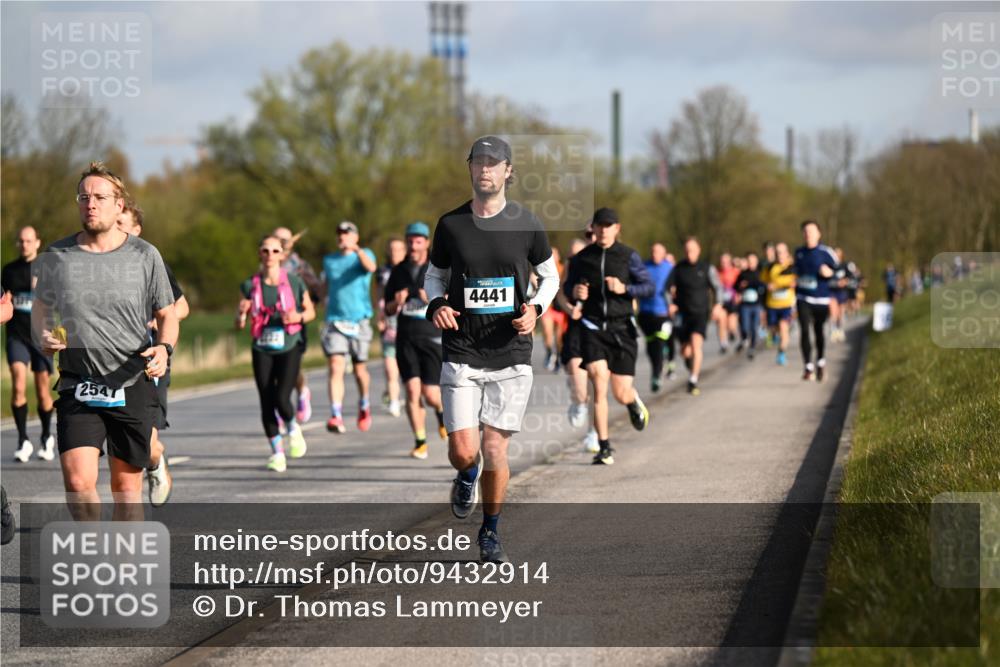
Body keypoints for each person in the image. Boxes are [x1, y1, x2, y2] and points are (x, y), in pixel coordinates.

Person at [424, 135, 559, 563]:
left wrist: (536, 309)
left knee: (496, 449)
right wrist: (437, 304)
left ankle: (490, 531)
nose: (485, 169)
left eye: (493, 163)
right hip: (462, 350)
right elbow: (434, 276)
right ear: (469, 168)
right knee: (465, 451)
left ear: (508, 171)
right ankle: (466, 473)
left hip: (510, 352)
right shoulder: (451, 224)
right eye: (478, 162)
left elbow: (550, 276)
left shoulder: (527, 223)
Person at [32, 161, 177, 520]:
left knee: (125, 490)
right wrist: (43, 335)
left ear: (119, 205)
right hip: (78, 383)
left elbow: (167, 314)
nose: (91, 204)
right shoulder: (57, 256)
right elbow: (41, 308)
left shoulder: (145, 255)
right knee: (78, 483)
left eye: (99, 197)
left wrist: (164, 348)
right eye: (84, 197)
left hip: (130, 381)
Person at [565, 207, 653, 465]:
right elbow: (568, 286)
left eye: (608, 225)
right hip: (593, 328)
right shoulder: (582, 258)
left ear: (617, 228)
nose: (603, 230)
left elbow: (649, 287)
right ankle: (604, 447)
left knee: (620, 392)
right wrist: (575, 291)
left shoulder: (628, 256)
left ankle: (632, 401)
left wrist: (625, 288)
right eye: (599, 225)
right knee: (598, 382)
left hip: (622, 329)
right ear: (593, 228)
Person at [117, 202, 190, 505]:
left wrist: (158, 322)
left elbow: (181, 308)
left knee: (147, 442)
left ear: (137, 230)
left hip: (151, 359)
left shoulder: (151, 261)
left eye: (122, 224)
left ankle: (156, 463)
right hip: (113, 363)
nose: (116, 229)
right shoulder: (96, 264)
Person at [237, 235, 316, 471]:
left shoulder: (294, 282)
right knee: (266, 400)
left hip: (288, 345)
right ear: (259, 254)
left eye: (275, 251)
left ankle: (292, 426)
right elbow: (239, 324)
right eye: (265, 250)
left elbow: (311, 312)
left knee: (282, 397)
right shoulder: (250, 285)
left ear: (282, 255)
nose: (270, 255)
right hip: (261, 347)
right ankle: (277, 453)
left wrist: (298, 316)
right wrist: (241, 314)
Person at [384, 222, 447, 459]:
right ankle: (420, 442)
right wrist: (396, 302)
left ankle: (441, 413)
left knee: (431, 394)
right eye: (410, 241)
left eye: (418, 241)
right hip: (406, 338)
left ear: (426, 243)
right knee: (411, 391)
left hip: (432, 336)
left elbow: (451, 300)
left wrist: (432, 299)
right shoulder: (398, 271)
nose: (413, 245)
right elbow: (388, 309)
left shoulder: (438, 268)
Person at [2, 226, 55, 463]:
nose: (25, 244)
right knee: (18, 385)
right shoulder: (9, 271)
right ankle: (23, 440)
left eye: (29, 241)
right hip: (17, 336)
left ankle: (46, 437)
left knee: (43, 391)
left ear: (37, 242)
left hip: (41, 336)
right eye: (21, 241)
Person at [319, 221, 377, 433]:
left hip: (359, 320)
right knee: (336, 365)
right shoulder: (329, 260)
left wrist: (357, 250)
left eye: (347, 233)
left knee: (360, 371)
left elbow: (371, 268)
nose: (342, 237)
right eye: (340, 234)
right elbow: (324, 287)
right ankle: (336, 415)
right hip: (335, 320)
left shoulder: (364, 255)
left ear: (355, 237)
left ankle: (364, 403)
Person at [274, 227, 323, 424]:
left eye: (285, 239)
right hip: (272, 322)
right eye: (278, 239)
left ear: (293, 241)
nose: (282, 243)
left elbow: (318, 291)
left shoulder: (300, 265)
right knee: (274, 368)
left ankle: (302, 392)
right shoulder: (268, 262)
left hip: (294, 323)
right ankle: (280, 406)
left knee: (292, 367)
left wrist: (305, 311)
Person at [665, 238, 725, 396]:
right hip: (682, 315)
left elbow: (718, 287)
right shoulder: (678, 268)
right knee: (685, 352)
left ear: (698, 250)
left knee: (696, 344)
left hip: (700, 313)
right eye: (687, 250)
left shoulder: (707, 268)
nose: (689, 253)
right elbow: (666, 289)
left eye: (692, 250)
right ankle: (690, 365)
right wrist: (670, 304)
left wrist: (718, 305)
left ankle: (693, 380)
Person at [560, 234, 599, 453]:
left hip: (597, 329)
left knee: (596, 387)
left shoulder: (598, 264)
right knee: (579, 382)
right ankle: (578, 401)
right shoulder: (570, 265)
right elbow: (560, 293)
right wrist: (569, 308)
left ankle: (593, 433)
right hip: (575, 329)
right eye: (571, 255)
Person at [794, 220, 839, 382]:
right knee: (804, 330)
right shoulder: (798, 252)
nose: (808, 234)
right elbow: (795, 271)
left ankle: (820, 361)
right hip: (803, 297)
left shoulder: (826, 252)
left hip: (821, 299)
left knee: (818, 331)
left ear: (819, 234)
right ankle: (808, 366)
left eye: (811, 231)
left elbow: (840, 271)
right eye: (805, 231)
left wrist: (829, 273)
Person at [638, 242, 675, 392]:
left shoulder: (670, 268)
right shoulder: (643, 267)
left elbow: (678, 287)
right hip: (646, 312)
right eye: (653, 251)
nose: (655, 254)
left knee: (659, 342)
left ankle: (657, 374)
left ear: (664, 253)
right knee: (651, 347)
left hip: (663, 312)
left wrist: (674, 303)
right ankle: (656, 368)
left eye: (658, 252)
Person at [377, 237, 406, 418]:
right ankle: (394, 401)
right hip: (390, 325)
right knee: (390, 368)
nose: (395, 253)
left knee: (408, 369)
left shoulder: (411, 269)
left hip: (409, 325)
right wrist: (380, 316)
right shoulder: (382, 272)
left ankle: (412, 396)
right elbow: (379, 296)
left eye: (398, 249)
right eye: (392, 249)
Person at [764, 242, 797, 366]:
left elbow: (799, 280)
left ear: (787, 253)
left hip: (787, 305)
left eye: (782, 252)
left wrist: (794, 284)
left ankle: (781, 353)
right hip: (772, 305)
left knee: (784, 328)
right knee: (773, 329)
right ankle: (774, 336)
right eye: (777, 253)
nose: (780, 255)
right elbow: (762, 281)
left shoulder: (793, 267)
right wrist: (768, 286)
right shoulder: (770, 267)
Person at [539, 247, 568, 372]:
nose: (552, 257)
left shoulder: (563, 269)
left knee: (559, 337)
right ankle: (549, 352)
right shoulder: (542, 269)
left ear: (558, 257)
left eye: (554, 254)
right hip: (548, 307)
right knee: (547, 330)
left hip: (560, 307)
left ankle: (558, 357)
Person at [734, 252, 765, 359]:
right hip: (745, 305)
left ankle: (752, 348)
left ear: (756, 262)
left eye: (753, 261)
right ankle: (744, 339)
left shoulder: (760, 273)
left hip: (757, 305)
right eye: (749, 261)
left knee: (754, 328)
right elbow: (736, 287)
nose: (751, 263)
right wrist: (740, 288)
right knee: (744, 326)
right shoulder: (743, 274)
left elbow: (763, 286)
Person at [716, 253, 740, 353]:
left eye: (726, 262)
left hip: (733, 301)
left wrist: (739, 294)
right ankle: (723, 344)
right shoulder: (717, 272)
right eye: (722, 262)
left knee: (731, 325)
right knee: (721, 321)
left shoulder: (736, 272)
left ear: (730, 262)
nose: (724, 264)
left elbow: (741, 284)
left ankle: (732, 333)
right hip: (721, 302)